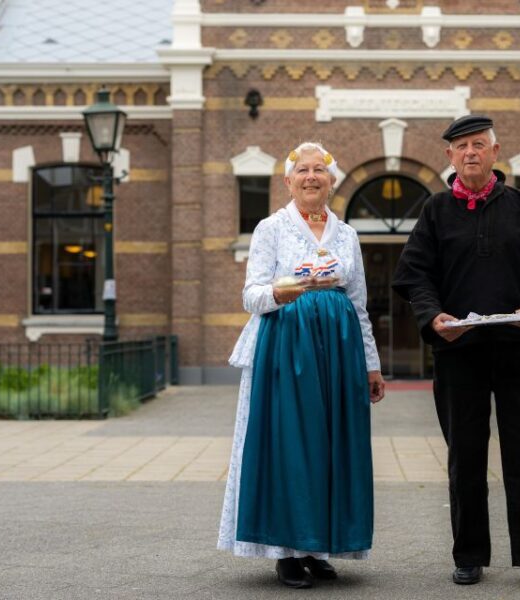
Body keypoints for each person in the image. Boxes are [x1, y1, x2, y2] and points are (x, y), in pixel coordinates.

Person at [391, 115, 520, 588]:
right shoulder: (434, 211)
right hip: (459, 353)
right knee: (465, 457)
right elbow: (415, 277)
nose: (470, 152)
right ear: (450, 157)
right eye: (461, 147)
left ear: (496, 153)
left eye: (479, 144)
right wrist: (433, 317)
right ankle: (469, 555)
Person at [219, 141, 385, 589]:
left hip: (339, 348)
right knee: (291, 445)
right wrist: (282, 291)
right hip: (285, 347)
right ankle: (286, 550)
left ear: (332, 180)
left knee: (333, 445)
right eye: (303, 170)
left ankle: (318, 545)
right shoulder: (271, 228)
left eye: (320, 170)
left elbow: (359, 303)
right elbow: (251, 295)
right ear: (288, 181)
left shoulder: (346, 235)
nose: (312, 177)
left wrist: (371, 364)